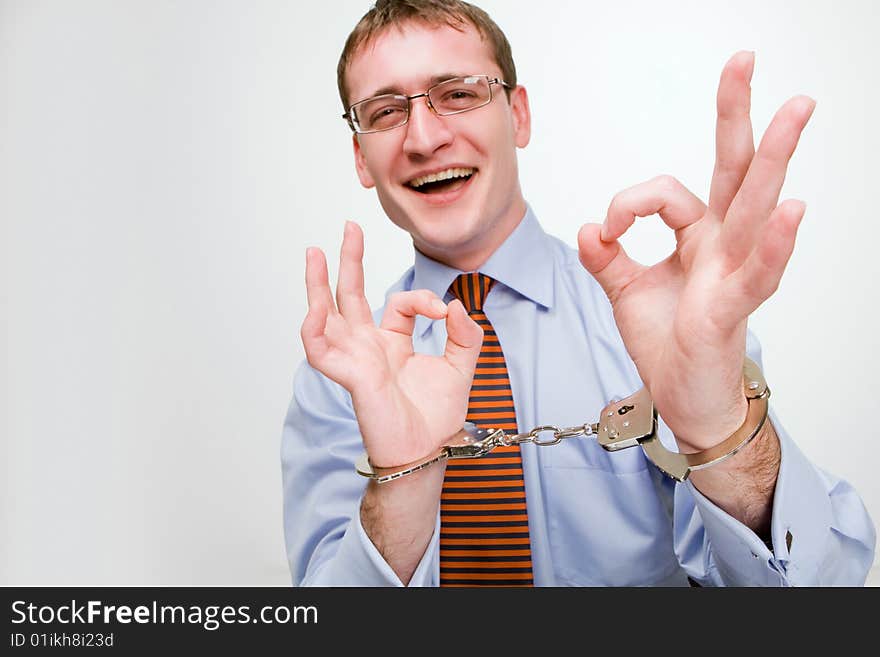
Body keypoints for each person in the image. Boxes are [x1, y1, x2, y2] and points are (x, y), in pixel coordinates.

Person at [281, 0, 875, 586]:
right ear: (361, 156)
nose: (424, 138)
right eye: (385, 111)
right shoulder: (341, 377)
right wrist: (403, 480)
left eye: (458, 93)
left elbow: (823, 588)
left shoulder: (660, 324)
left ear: (519, 115)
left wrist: (721, 434)